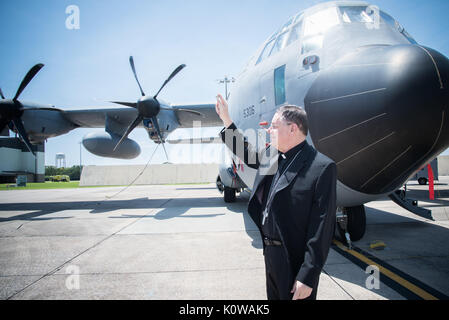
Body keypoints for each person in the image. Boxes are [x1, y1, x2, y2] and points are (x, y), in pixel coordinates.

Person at [215, 94, 337, 300]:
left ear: (293, 128)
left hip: (295, 259)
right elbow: (247, 153)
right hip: (271, 255)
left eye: (274, 126)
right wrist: (227, 120)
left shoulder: (321, 168)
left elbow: (322, 228)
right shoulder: (272, 156)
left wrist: (308, 275)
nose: (267, 130)